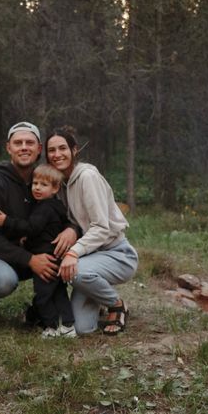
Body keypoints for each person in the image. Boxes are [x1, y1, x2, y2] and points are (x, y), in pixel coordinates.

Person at [0, 121, 78, 324]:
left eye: (29, 142)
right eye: (18, 142)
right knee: (3, 281)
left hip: (30, 251)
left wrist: (71, 230)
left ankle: (45, 310)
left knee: (64, 259)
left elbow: (61, 215)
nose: (23, 147)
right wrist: (29, 259)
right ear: (8, 148)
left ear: (38, 149)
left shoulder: (42, 181)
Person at [45, 127, 139, 336]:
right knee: (83, 328)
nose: (57, 154)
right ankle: (95, 294)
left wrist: (72, 253)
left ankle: (117, 305)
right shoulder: (58, 183)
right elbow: (72, 220)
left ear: (74, 150)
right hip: (89, 258)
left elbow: (101, 228)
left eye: (62, 148)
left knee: (76, 271)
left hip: (117, 254)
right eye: (52, 150)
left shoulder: (87, 177)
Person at [0, 164, 76, 338]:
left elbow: (32, 227)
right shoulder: (56, 205)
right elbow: (47, 229)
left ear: (55, 188)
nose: (37, 187)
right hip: (57, 256)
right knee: (59, 292)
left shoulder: (44, 207)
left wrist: (7, 221)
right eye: (35, 183)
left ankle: (50, 327)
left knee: (43, 295)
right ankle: (68, 326)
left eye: (43, 185)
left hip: (45, 258)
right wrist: (27, 240)